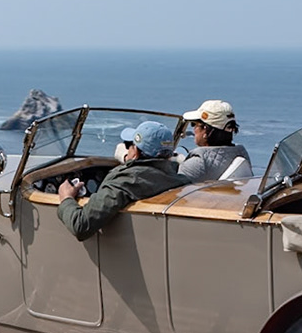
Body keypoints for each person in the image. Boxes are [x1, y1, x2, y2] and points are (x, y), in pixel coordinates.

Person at [57, 120, 188, 240]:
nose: (127, 149)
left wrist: (66, 198)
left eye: (129, 145)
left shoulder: (124, 182)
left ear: (135, 152)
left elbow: (81, 225)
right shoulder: (181, 180)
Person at [175, 99, 253, 182]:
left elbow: (174, 192)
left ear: (205, 130)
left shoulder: (198, 162)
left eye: (194, 124)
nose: (194, 129)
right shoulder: (241, 154)